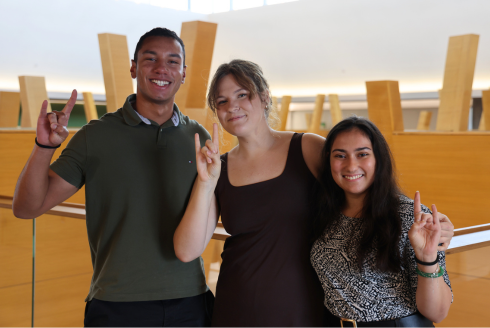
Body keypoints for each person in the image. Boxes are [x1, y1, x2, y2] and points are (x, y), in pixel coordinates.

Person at [173, 60, 454, 326]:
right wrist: (205, 183)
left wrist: (434, 225)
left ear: (265, 96)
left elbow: (362, 183)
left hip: (306, 308)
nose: (232, 106)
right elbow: (187, 250)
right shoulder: (217, 169)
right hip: (238, 305)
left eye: (242, 94)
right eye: (221, 101)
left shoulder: (306, 148)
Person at [13, 27, 213, 327]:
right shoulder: (95, 136)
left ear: (183, 73)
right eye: (150, 58)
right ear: (133, 67)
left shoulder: (200, 136)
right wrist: (45, 147)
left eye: (173, 61)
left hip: (191, 301)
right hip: (117, 305)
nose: (162, 68)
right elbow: (27, 207)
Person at [310, 116, 453, 327]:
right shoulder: (324, 213)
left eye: (362, 154)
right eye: (340, 155)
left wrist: (427, 257)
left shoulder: (410, 217)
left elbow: (437, 313)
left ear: (379, 159)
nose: (351, 165)